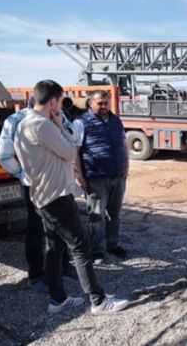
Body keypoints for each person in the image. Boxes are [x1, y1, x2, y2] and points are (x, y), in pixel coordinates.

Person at [14, 80, 128, 314]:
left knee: (54, 248)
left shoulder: (23, 122)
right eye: (60, 102)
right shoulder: (43, 125)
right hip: (56, 196)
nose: (61, 109)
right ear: (53, 101)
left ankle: (58, 300)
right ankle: (98, 301)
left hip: (41, 194)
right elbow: (69, 150)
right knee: (80, 246)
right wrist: (58, 124)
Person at [0, 99, 77, 293]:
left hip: (60, 182)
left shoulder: (58, 116)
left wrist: (61, 122)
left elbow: (73, 140)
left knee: (62, 227)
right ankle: (37, 275)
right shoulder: (15, 120)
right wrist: (23, 174)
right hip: (36, 184)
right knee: (37, 229)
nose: (57, 108)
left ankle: (63, 267)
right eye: (54, 104)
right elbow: (3, 155)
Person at [73, 90, 129, 262]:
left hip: (117, 175)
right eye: (100, 103)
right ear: (90, 103)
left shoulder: (116, 120)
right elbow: (74, 151)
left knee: (115, 214)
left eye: (106, 102)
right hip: (96, 177)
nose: (104, 106)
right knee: (96, 216)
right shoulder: (81, 123)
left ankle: (113, 245)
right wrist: (79, 176)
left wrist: (126, 168)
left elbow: (124, 145)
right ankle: (97, 249)